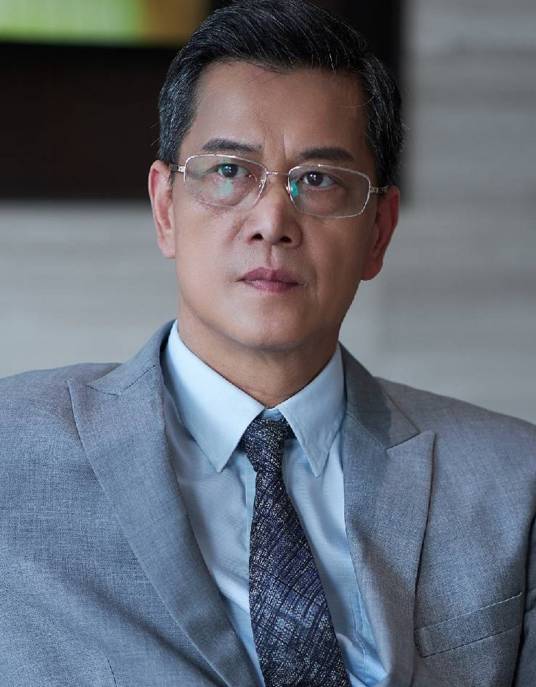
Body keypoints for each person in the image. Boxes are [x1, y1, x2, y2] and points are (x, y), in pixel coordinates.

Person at [1, 1, 534, 685]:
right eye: (229, 171)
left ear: (378, 231)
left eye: (319, 180)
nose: (273, 221)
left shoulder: (515, 483)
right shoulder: (13, 452)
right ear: (165, 209)